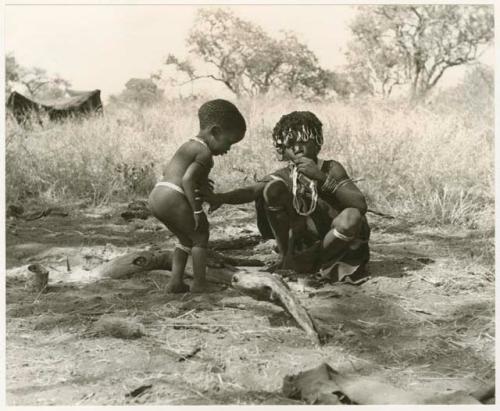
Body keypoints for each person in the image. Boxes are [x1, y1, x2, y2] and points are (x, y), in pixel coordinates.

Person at [206, 111, 370, 284]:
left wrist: (321, 178)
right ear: (283, 150)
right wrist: (220, 198)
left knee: (351, 216)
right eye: (291, 144)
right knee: (273, 189)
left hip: (339, 243)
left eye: (303, 141)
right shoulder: (285, 175)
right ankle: (289, 258)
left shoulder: (331, 168)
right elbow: (252, 191)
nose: (298, 148)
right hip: (307, 243)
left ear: (318, 143)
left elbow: (360, 204)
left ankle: (306, 262)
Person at [148, 99, 246, 293]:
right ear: (215, 132)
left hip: (158, 195)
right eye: (229, 142)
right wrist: (197, 210)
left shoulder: (188, 145)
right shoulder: (205, 154)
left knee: (185, 239)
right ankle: (200, 284)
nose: (228, 150)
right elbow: (187, 180)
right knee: (201, 235)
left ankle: (175, 283)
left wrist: (201, 183)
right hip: (172, 196)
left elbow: (173, 171)